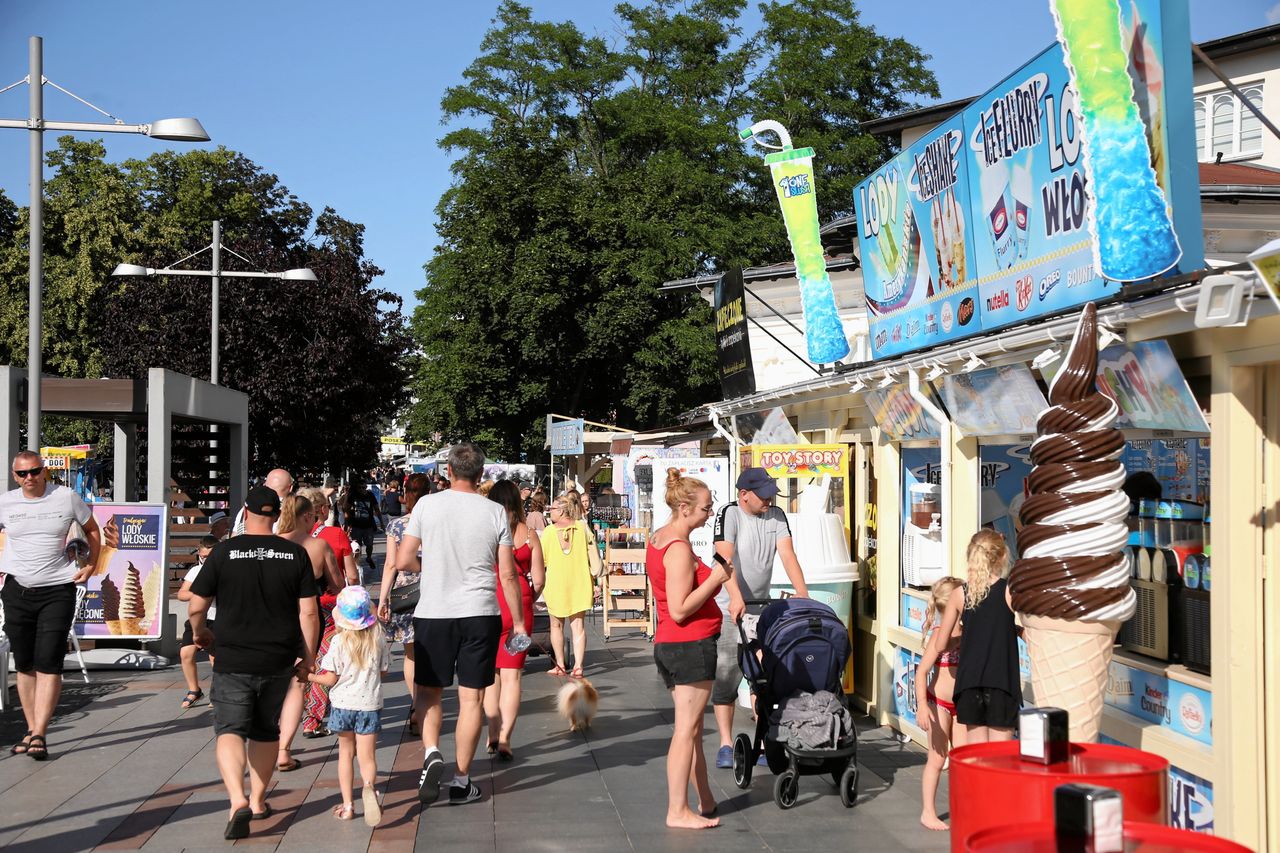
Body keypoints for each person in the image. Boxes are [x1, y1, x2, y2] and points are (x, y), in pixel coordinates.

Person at [396, 442, 525, 807]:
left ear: (448, 472)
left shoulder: (427, 505)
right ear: (481, 474)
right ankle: (462, 779)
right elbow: (508, 574)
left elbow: (405, 558)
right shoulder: (495, 513)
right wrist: (517, 622)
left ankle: (432, 751)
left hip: (434, 611)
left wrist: (432, 570)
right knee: (472, 698)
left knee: (428, 691)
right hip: (480, 611)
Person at [188, 485, 319, 840]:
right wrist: (308, 657)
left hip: (232, 655)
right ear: (277, 515)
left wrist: (200, 633)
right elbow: (309, 611)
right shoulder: (295, 554)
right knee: (265, 730)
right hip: (278, 656)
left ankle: (237, 799)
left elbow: (196, 604)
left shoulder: (224, 552)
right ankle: (259, 800)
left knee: (229, 729)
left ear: (244, 513)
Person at [0, 451, 101, 760]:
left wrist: (91, 565)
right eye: (22, 474)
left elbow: (93, 530)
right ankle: (31, 731)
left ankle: (40, 733)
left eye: (34, 471)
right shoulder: (6, 502)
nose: (29, 478)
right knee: (26, 664)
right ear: (15, 476)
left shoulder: (66, 497)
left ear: (44, 471)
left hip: (58, 588)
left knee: (49, 661)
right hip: (17, 588)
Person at [646, 468, 732, 830]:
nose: (709, 514)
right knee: (685, 731)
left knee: (692, 729)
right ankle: (677, 810)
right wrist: (716, 576)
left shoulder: (658, 539)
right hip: (689, 644)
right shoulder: (679, 549)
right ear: (684, 507)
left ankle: (705, 798)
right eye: (705, 509)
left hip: (672, 644)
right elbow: (681, 608)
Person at [710, 467, 809, 769]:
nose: (769, 499)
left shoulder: (777, 515)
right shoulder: (730, 514)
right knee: (727, 674)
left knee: (762, 678)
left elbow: (788, 555)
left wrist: (803, 595)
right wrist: (736, 596)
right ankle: (726, 743)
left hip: (760, 609)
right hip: (730, 607)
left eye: (771, 494)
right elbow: (723, 558)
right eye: (764, 495)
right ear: (744, 495)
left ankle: (763, 741)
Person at [308, 586, 391, 825]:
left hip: (343, 705)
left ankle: (347, 806)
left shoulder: (338, 642)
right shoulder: (378, 639)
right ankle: (368, 787)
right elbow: (383, 671)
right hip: (370, 704)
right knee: (367, 756)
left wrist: (309, 677)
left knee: (346, 754)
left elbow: (330, 679)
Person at [275, 494, 345, 771]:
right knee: (298, 681)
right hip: (307, 617)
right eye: (314, 517)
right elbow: (337, 584)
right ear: (307, 517)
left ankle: (264, 740)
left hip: (272, 616)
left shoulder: (273, 544)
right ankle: (283, 750)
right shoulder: (319, 545)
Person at [935, 529, 1021, 745]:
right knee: (1000, 761)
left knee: (978, 758)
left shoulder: (960, 594)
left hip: (969, 684)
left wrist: (963, 637)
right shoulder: (1009, 591)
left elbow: (940, 644)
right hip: (1002, 683)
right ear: (1001, 557)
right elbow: (1027, 632)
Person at [483, 480, 546, 761]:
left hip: (489, 601)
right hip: (519, 602)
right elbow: (540, 579)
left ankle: (492, 733)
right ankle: (507, 736)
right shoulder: (530, 534)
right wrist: (528, 599)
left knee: (491, 675)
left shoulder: (486, 531)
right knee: (512, 676)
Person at [377, 473, 430, 735]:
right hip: (434, 589)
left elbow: (390, 565)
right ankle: (427, 703)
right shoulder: (436, 522)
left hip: (405, 594)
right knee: (429, 650)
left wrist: (383, 598)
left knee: (410, 653)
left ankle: (416, 703)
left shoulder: (397, 526)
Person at [913, 576, 965, 831]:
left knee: (964, 760)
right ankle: (928, 811)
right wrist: (922, 705)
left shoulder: (966, 630)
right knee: (937, 757)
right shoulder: (938, 636)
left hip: (961, 703)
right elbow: (921, 672)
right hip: (938, 703)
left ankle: (964, 807)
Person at [540, 494, 593, 678]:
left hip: (556, 583)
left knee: (556, 626)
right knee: (578, 626)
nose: (549, 512)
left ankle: (560, 665)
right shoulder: (582, 527)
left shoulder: (548, 532)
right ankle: (578, 666)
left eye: (552, 509)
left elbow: (543, 560)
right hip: (580, 581)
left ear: (561, 511)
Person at [177, 535, 220, 709]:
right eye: (202, 557)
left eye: (209, 557)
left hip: (217, 617)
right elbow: (181, 594)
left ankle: (217, 693)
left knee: (214, 657)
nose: (205, 560)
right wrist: (200, 594)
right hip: (198, 617)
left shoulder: (223, 570)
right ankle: (194, 690)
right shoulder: (195, 571)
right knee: (186, 654)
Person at [232, 468, 293, 536]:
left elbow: (235, 535)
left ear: (265, 484)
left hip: (243, 545)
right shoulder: (292, 511)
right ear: (290, 488)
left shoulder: (247, 508)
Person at [342, 481, 382, 583]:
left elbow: (376, 509)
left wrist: (381, 522)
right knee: (357, 547)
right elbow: (345, 510)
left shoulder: (370, 495)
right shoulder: (353, 496)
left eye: (364, 487)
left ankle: (368, 557)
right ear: (356, 488)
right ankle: (357, 564)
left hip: (368, 525)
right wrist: (347, 525)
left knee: (369, 545)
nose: (362, 489)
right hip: (356, 526)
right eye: (360, 487)